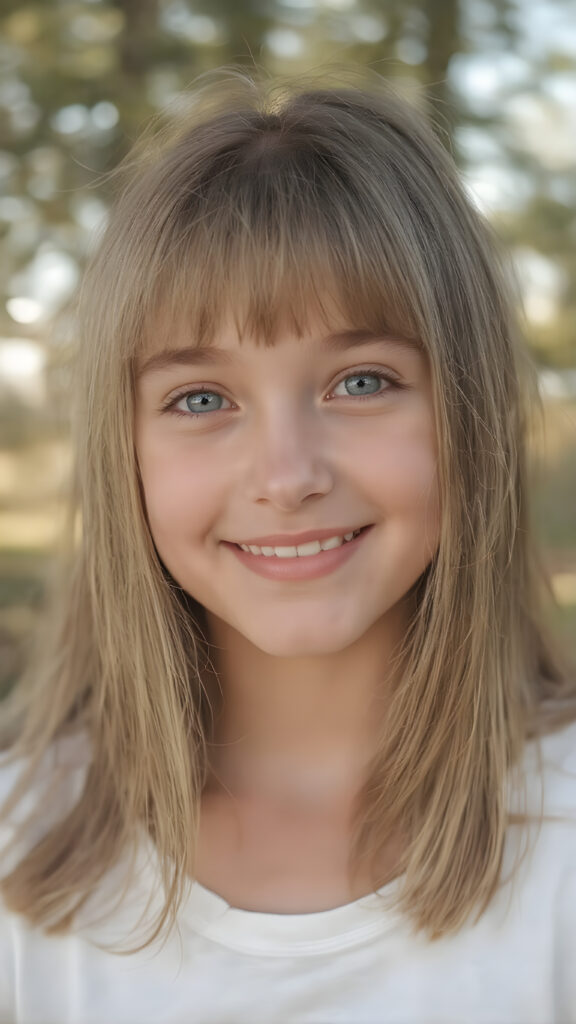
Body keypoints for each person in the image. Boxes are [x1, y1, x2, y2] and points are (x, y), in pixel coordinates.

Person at [1, 69, 575, 1024]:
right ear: (122, 453)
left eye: (361, 382)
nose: (286, 473)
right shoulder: (21, 851)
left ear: (468, 411)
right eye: (201, 399)